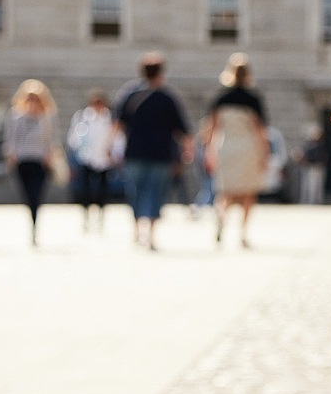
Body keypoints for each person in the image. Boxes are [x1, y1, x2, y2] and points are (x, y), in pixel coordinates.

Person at [115, 52, 193, 250]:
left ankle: (136, 232)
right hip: (161, 154)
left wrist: (111, 149)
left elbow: (117, 125)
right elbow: (183, 129)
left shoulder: (131, 94)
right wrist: (187, 150)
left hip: (135, 152)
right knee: (156, 193)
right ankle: (150, 235)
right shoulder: (168, 97)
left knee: (136, 192)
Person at [206, 52, 269, 247]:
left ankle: (221, 217)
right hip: (247, 147)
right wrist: (265, 154)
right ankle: (242, 232)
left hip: (227, 146)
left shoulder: (220, 97)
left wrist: (208, 151)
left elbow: (212, 128)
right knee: (249, 191)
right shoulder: (254, 98)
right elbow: (260, 131)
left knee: (225, 190)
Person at [3, 79, 60, 245]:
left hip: (40, 160)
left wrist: (51, 154)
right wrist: (11, 154)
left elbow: (53, 138)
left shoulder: (47, 117)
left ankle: (35, 223)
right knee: (27, 194)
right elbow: (11, 138)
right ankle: (31, 220)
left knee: (37, 194)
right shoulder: (15, 116)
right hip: (23, 159)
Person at [67, 88, 117, 231]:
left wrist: (113, 154)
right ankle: (86, 217)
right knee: (85, 190)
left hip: (104, 159)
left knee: (103, 190)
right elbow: (73, 138)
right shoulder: (82, 117)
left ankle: (101, 217)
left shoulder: (110, 119)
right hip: (86, 158)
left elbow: (117, 138)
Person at [298, 125, 327, 205]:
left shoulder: (320, 144)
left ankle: (316, 201)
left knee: (316, 186)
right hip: (309, 166)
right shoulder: (308, 144)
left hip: (317, 166)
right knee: (308, 185)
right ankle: (307, 201)